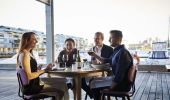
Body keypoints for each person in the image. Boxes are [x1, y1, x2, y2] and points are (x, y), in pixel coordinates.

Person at [16, 32, 64, 100]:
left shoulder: (26, 53)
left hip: (32, 86)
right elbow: (29, 76)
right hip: (32, 88)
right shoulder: (25, 54)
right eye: (34, 39)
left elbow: (28, 72)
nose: (37, 41)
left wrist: (37, 69)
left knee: (58, 86)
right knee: (60, 92)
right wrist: (44, 70)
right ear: (27, 40)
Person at [88, 30, 133, 100]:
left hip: (122, 85)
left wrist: (111, 88)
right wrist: (94, 54)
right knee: (92, 81)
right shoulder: (118, 51)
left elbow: (119, 74)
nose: (109, 40)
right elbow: (105, 60)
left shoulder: (123, 53)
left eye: (111, 38)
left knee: (93, 84)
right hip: (118, 81)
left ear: (118, 39)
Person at [81, 32, 113, 98]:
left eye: (98, 39)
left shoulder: (109, 49)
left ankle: (97, 94)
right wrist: (91, 62)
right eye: (94, 39)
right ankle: (92, 94)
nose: (95, 40)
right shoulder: (93, 49)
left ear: (102, 39)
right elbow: (93, 62)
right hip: (94, 71)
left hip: (105, 72)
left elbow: (110, 63)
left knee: (93, 83)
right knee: (81, 79)